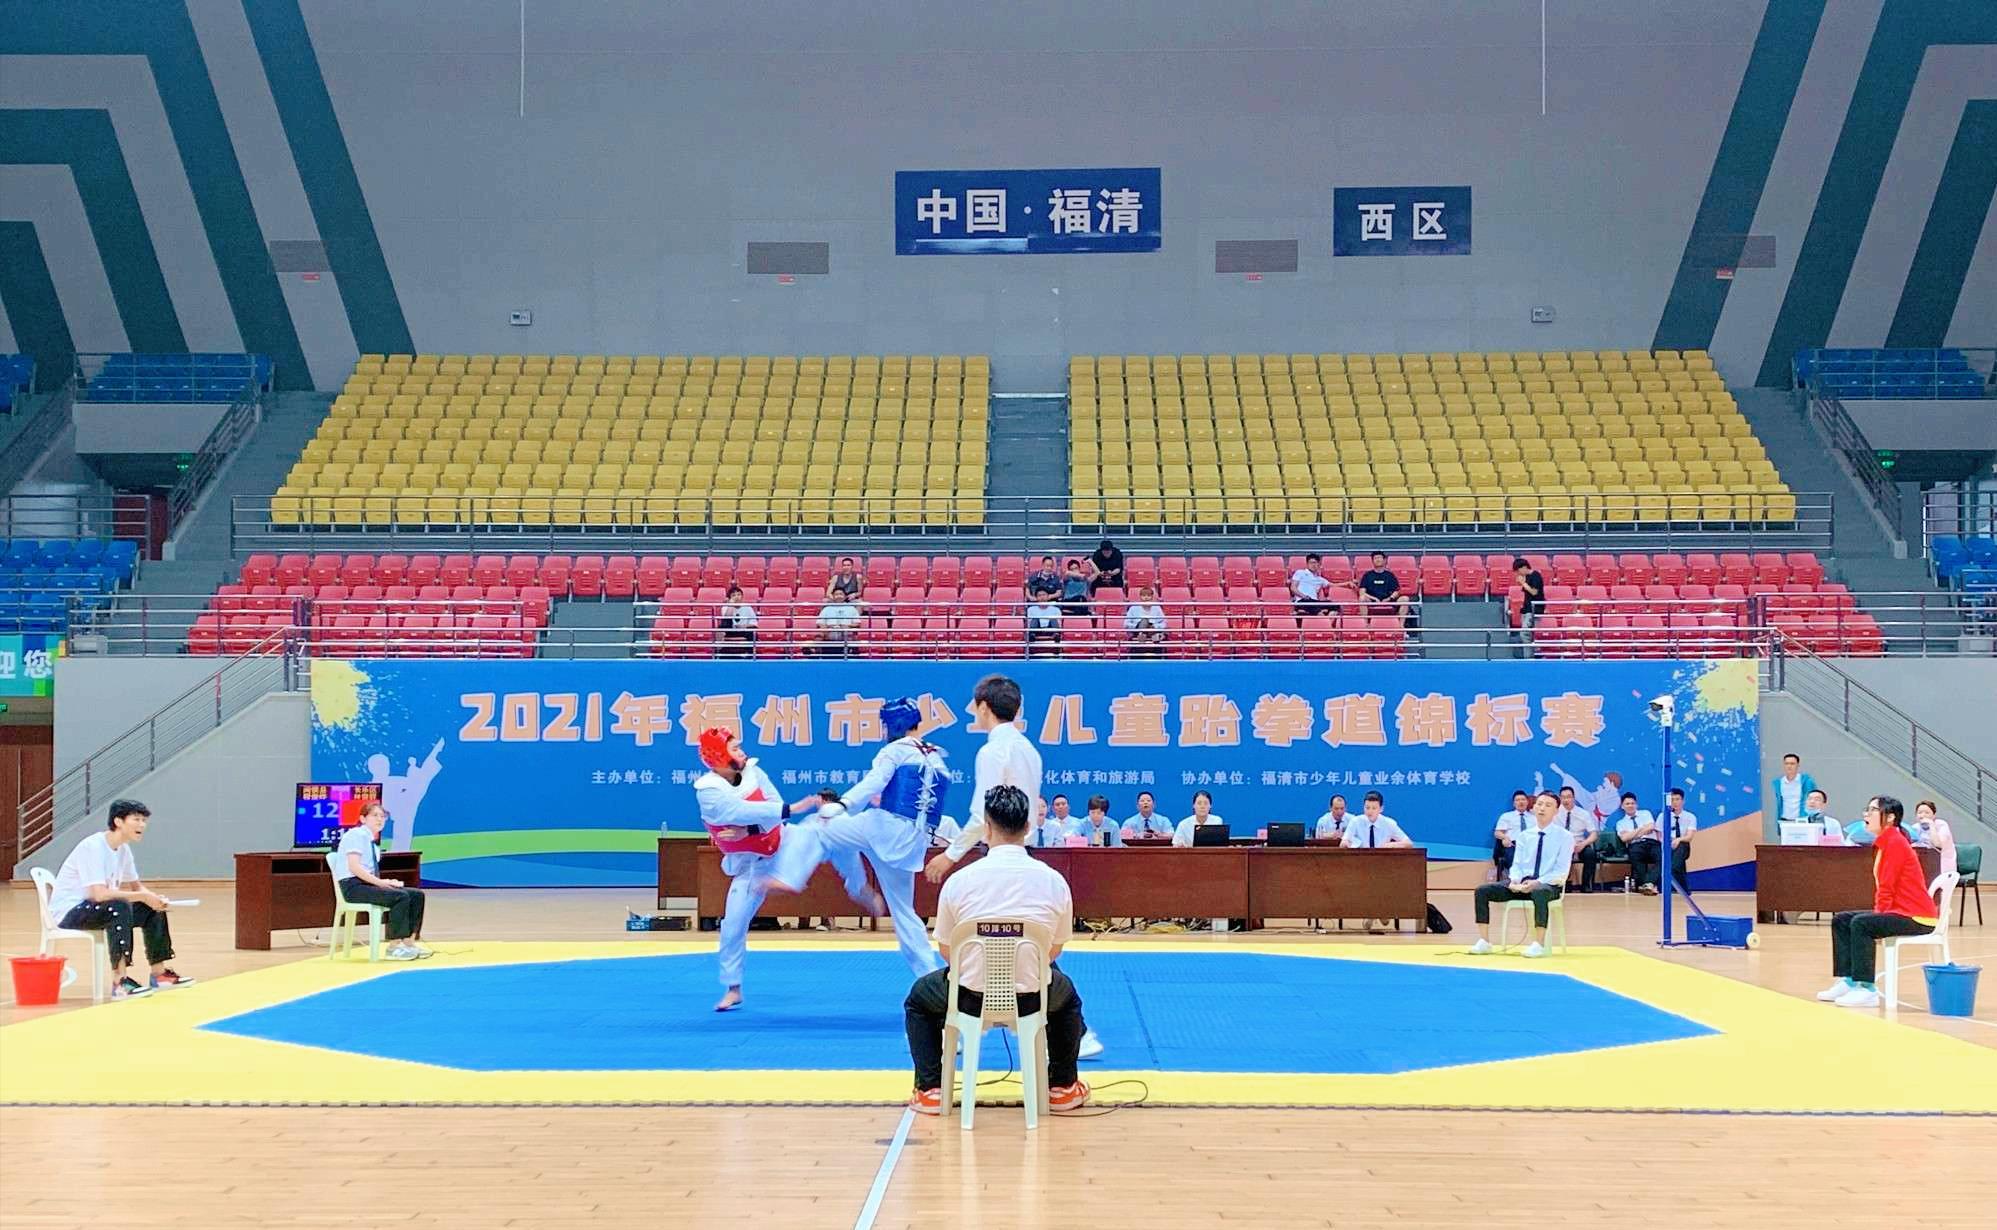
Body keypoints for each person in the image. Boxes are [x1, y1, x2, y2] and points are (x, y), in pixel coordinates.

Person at [904, 785, 1092, 1115]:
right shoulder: (1053, 880)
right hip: (1033, 997)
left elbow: (948, 952)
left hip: (969, 997)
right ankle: (1062, 1087)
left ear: (986, 828)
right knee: (1067, 996)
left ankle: (931, 1089)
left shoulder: (960, 881)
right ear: (1029, 827)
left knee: (920, 998)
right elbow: (1054, 949)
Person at [769, 698, 949, 981]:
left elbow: (874, 783)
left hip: (884, 828)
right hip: (911, 843)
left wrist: (843, 804)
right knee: (904, 913)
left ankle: (792, 876)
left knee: (820, 824)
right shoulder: (936, 757)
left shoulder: (895, 750)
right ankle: (930, 978)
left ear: (894, 725)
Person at [694, 727, 865, 1012]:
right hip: (751, 867)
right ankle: (733, 988)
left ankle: (856, 886)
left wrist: (753, 827)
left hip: (782, 843)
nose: (742, 752)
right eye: (735, 749)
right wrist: (789, 809)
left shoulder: (754, 773)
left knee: (827, 826)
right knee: (732, 925)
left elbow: (771, 807)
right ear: (719, 758)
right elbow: (736, 813)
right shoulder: (708, 792)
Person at [45, 799, 192, 998]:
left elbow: (136, 886)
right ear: (118, 821)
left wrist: (152, 898)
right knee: (119, 907)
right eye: (136, 819)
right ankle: (120, 982)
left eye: (144, 820)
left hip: (95, 908)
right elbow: (98, 894)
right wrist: (141, 895)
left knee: (151, 908)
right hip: (69, 912)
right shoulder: (93, 847)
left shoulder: (123, 849)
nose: (142, 825)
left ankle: (159, 975)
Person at [1818, 796, 1939, 1009]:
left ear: (1890, 817)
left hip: (1917, 916)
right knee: (1842, 919)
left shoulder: (1895, 843)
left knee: (1862, 923)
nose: (1866, 814)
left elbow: (1887, 887)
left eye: (1873, 810)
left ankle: (1867, 988)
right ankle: (1850, 980)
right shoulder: (1886, 841)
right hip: (1900, 911)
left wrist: (1878, 917)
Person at [1468, 791, 1573, 958]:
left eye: (1548, 805)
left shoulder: (1565, 837)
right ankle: (1484, 941)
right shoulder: (1524, 836)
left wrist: (1537, 882)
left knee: (1540, 892)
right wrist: (1514, 881)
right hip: (1522, 885)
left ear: (1556, 811)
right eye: (1539, 804)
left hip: (1548, 886)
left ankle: (1538, 943)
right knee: (1482, 891)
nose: (1542, 808)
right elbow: (1517, 864)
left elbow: (1561, 871)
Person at [336, 800, 429, 960]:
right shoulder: (356, 835)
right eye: (375, 815)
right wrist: (380, 883)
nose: (380, 819)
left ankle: (408, 943)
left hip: (366, 884)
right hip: (352, 887)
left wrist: (387, 881)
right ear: (363, 819)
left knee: (416, 894)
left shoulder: (373, 843)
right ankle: (393, 947)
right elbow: (354, 867)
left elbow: (368, 872)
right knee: (400, 896)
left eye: (383, 816)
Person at [1554, 786, 1602, 891]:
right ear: (1560, 798)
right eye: (1563, 797)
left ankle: (1587, 885)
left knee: (1590, 854)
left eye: (1569, 797)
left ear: (1574, 798)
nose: (1566, 800)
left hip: (1579, 843)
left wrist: (1583, 844)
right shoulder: (1554, 812)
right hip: (1561, 844)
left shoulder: (1583, 813)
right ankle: (1561, 885)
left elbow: (1594, 834)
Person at [1615, 792, 1662, 894]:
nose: (1630, 805)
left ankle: (1647, 884)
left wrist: (1632, 834)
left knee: (1663, 859)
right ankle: (1649, 885)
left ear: (1636, 805)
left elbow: (1651, 827)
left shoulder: (1645, 813)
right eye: (1627, 804)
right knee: (1637, 861)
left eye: (1632, 803)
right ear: (1622, 806)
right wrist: (1641, 829)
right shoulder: (1620, 823)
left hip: (1651, 843)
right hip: (1635, 845)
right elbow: (1624, 838)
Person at [1339, 791, 1412, 849]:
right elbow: (1343, 842)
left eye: (1374, 808)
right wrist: (1346, 843)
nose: (1370, 811)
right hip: (1360, 861)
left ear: (1381, 809)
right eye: (1367, 808)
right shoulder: (1355, 821)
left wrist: (1390, 845)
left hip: (1383, 861)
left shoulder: (1389, 823)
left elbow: (1408, 843)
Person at [1358, 550, 1412, 625]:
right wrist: (1374, 599)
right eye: (1375, 558)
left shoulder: (1390, 575)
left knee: (1405, 599)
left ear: (1384, 560)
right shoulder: (1367, 575)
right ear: (1372, 561)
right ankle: (1365, 625)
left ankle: (1400, 626)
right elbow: (1362, 592)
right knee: (1362, 598)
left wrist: (1389, 599)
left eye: (1379, 558)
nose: (1378, 560)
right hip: (1372, 601)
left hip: (1388, 600)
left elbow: (1396, 591)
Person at [1662, 787, 1698, 892]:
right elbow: (1660, 835)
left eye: (1677, 799)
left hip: (1682, 845)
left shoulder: (1690, 817)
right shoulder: (1663, 816)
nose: (1675, 802)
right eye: (1672, 800)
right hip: (1667, 846)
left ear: (1683, 801)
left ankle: (1673, 883)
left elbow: (1689, 837)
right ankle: (1684, 890)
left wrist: (1678, 840)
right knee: (1676, 862)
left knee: (1680, 848)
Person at [1493, 789, 1533, 878]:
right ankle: (1516, 878)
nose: (1520, 802)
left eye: (1523, 800)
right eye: (1517, 800)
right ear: (1514, 804)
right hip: (1513, 844)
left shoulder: (1534, 817)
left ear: (1527, 802)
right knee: (1511, 853)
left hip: (1530, 844)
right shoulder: (1506, 816)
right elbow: (1497, 832)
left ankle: (1530, 878)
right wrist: (1505, 838)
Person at [1908, 800, 1956, 873]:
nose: (1923, 815)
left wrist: (1931, 825)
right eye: (1919, 813)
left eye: (1927, 813)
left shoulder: (1942, 825)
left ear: (1934, 815)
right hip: (1923, 864)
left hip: (1942, 864)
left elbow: (1937, 845)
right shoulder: (1915, 827)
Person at [1770, 753, 1817, 824]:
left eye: (1792, 764)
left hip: (1803, 821)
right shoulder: (1779, 783)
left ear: (1798, 765)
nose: (1789, 766)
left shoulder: (1807, 782)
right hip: (1784, 820)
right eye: (1786, 763)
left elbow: (1814, 800)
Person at [1123, 585, 1167, 657]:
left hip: (1152, 629)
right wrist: (1136, 626)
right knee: (1144, 621)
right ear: (1140, 597)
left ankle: (1145, 636)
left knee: (1154, 629)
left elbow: (1164, 623)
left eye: (1148, 595)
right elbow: (1126, 624)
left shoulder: (1157, 608)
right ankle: (1142, 634)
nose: (1146, 598)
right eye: (1144, 595)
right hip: (1136, 631)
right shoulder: (1133, 608)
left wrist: (1154, 626)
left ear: (1152, 597)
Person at [717, 585, 757, 657]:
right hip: (731, 631)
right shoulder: (726, 607)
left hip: (743, 631)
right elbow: (726, 619)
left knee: (753, 632)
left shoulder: (747, 607)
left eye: (739, 594)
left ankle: (750, 654)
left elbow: (754, 623)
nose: (737, 597)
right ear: (729, 598)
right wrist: (731, 604)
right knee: (722, 626)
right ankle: (720, 652)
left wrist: (744, 626)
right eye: (734, 595)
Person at [1513, 557, 1545, 631]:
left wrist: (1523, 583)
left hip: (1534, 609)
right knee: (1527, 633)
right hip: (1526, 609)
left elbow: (1534, 592)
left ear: (1524, 567)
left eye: (1518, 571)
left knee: (1525, 633)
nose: (1518, 573)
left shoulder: (1536, 576)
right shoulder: (1526, 577)